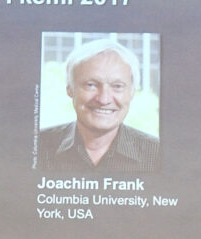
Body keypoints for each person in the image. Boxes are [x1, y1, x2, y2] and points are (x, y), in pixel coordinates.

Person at [38, 39, 160, 172]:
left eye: (117, 86)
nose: (104, 99)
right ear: (70, 90)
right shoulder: (36, 147)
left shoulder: (158, 154)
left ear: (132, 92)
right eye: (91, 85)